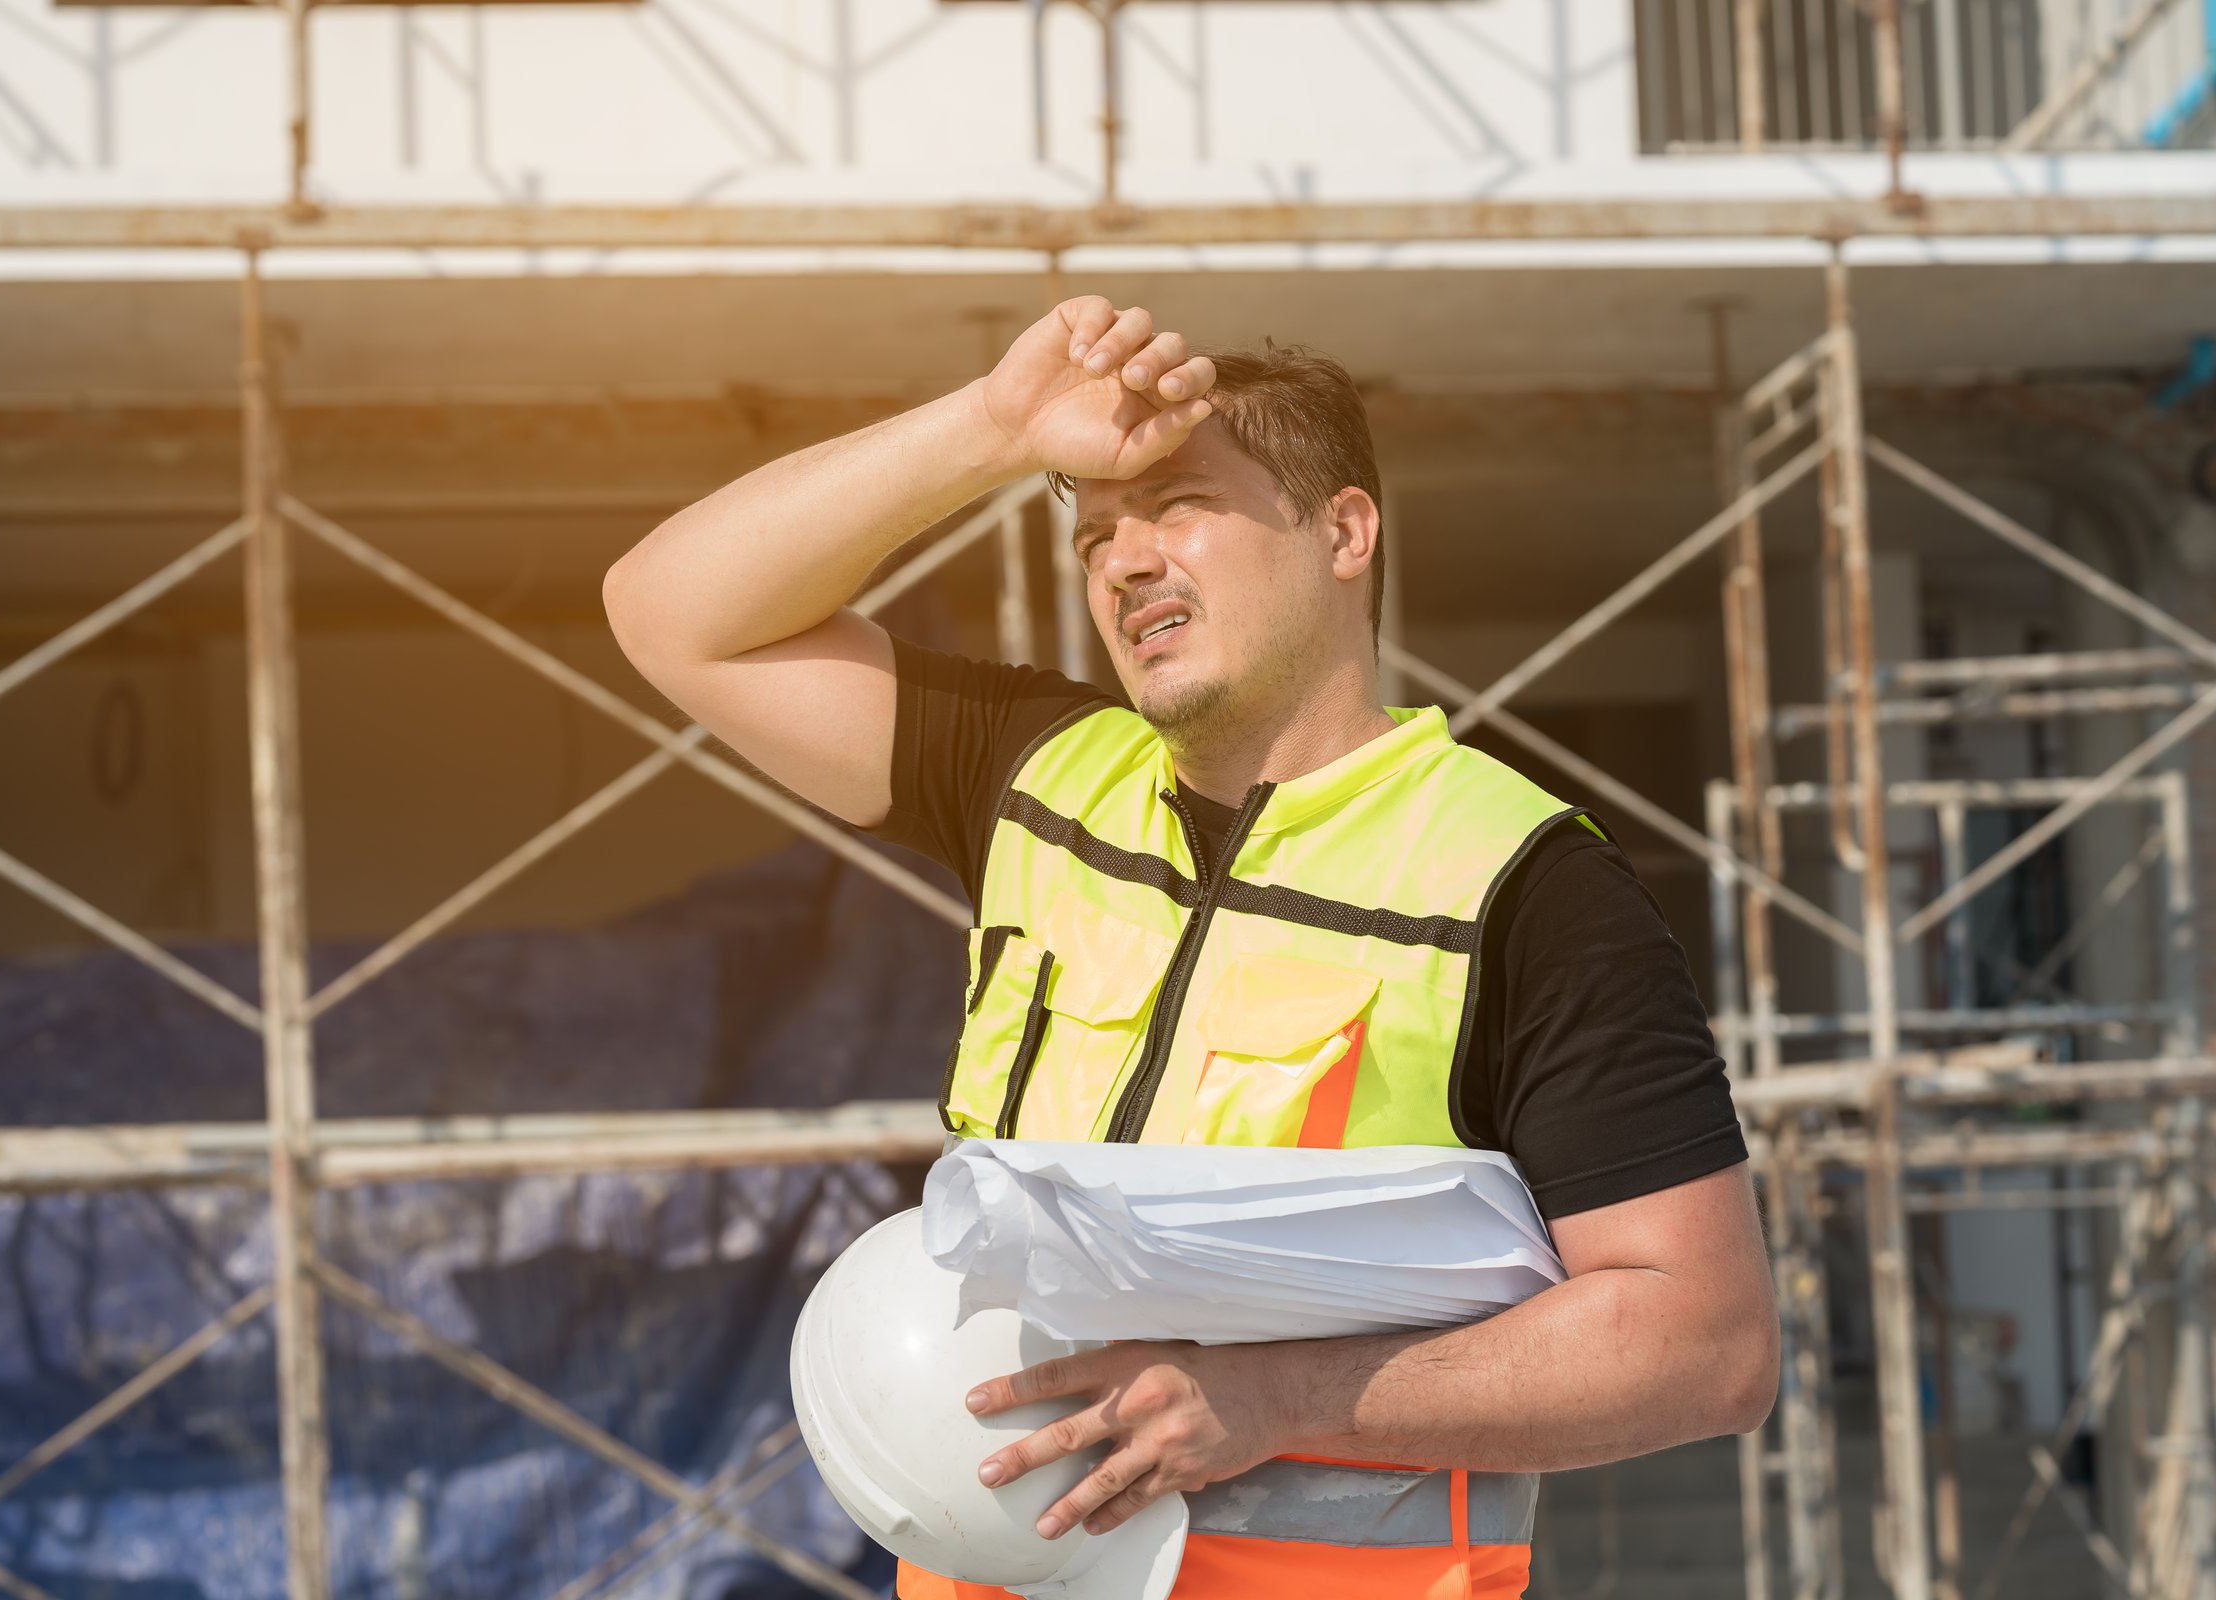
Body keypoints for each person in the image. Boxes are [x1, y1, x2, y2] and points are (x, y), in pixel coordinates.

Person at [604, 298, 1778, 1599]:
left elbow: (1705, 1343)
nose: (1122, 558)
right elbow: (674, 613)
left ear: (1343, 531)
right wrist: (990, 428)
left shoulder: (1520, 884)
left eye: (1177, 508)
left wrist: (1275, 1399)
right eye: (1095, 529)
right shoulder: (1033, 774)